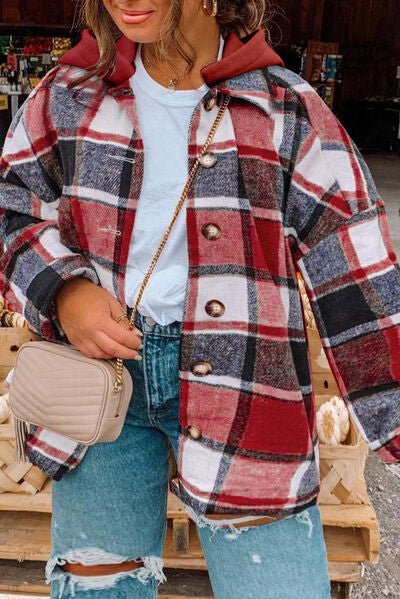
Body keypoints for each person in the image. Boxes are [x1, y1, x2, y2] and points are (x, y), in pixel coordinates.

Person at [0, 1, 399, 597]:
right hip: (98, 389)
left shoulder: (284, 109)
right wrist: (64, 289)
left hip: (246, 386)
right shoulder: (70, 94)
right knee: (99, 586)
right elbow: (12, 204)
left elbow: (355, 267)